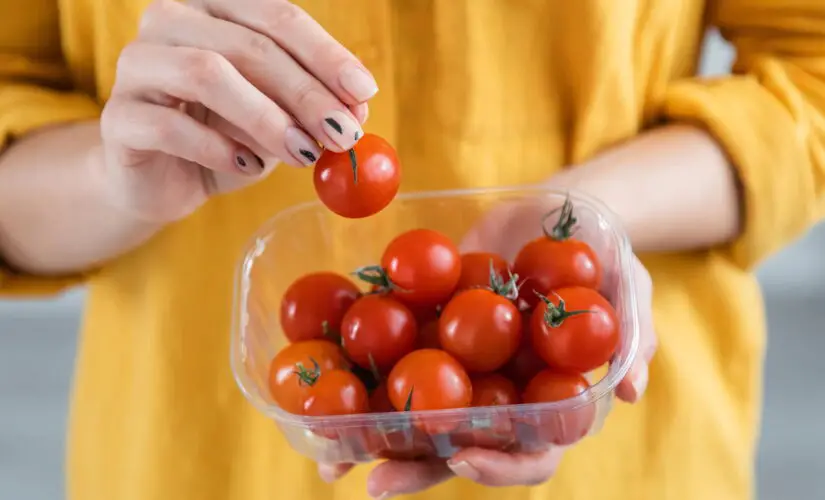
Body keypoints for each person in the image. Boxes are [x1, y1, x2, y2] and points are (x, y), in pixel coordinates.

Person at [0, 0, 823, 499]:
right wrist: (117, 179)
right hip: (194, 455)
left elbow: (809, 76)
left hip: (624, 463)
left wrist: (594, 213)